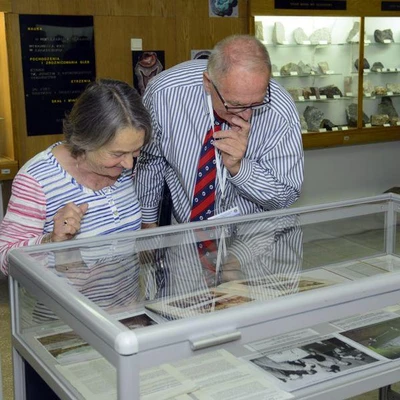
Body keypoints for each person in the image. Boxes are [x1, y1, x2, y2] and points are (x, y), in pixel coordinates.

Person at [135, 34, 304, 228]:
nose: (247, 115)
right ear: (208, 82)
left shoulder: (279, 109)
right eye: (235, 104)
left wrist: (239, 168)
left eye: (257, 103)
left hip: (254, 238)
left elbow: (286, 196)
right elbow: (150, 160)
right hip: (185, 235)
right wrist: (148, 224)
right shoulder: (164, 93)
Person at [0, 78, 152, 275]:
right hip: (64, 305)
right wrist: (52, 240)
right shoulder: (37, 180)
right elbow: (5, 260)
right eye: (117, 154)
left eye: (136, 151)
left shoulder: (120, 169)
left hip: (124, 304)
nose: (129, 164)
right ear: (86, 140)